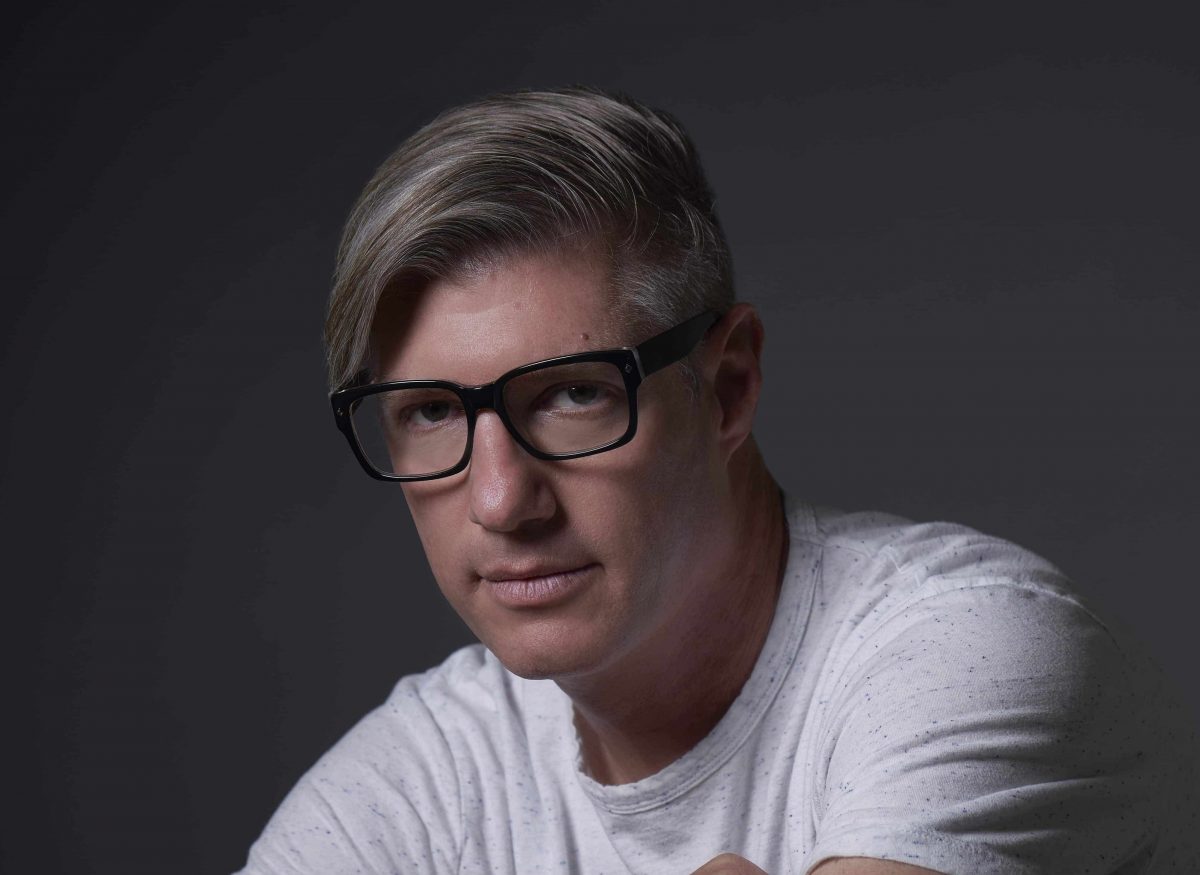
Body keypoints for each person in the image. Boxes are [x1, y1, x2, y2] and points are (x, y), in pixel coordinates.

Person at [235, 87, 1198, 874]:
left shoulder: (971, 654)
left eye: (573, 394)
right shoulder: (429, 775)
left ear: (728, 386)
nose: (499, 500)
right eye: (431, 412)